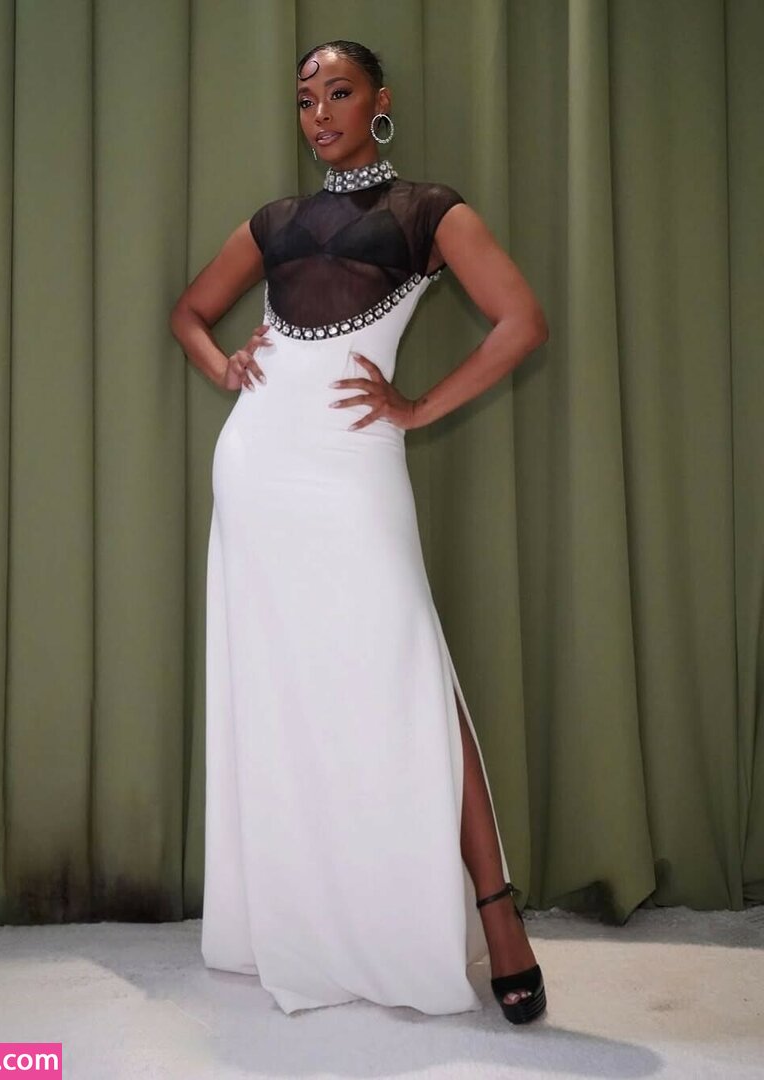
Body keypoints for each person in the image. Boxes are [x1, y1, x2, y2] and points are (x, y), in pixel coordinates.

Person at [169, 38, 549, 1025]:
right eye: (306, 100)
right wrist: (223, 365)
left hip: (353, 467)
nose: (321, 114)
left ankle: (499, 917)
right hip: (258, 468)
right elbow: (190, 312)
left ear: (380, 100)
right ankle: (309, 919)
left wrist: (417, 408)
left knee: (414, 673)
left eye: (339, 93)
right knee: (285, 689)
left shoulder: (431, 211)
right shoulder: (274, 222)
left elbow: (521, 322)